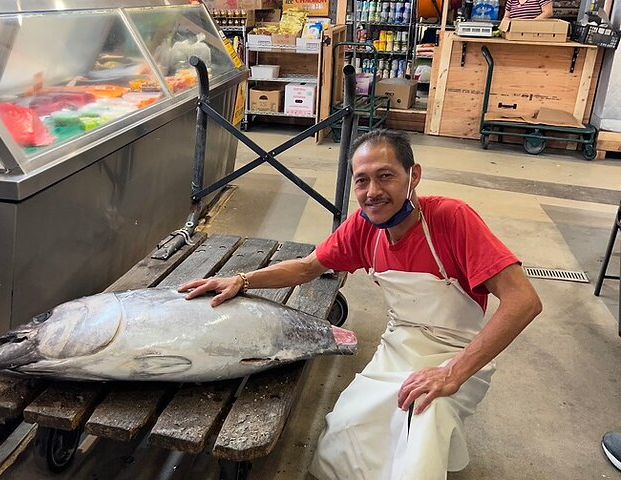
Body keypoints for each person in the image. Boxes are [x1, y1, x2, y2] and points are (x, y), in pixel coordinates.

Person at [178, 129, 543, 479]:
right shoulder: (363, 227)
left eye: (386, 176)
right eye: (362, 180)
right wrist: (241, 280)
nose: (373, 192)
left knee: (422, 419)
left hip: (457, 353)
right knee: (345, 432)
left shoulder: (451, 218)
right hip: (400, 345)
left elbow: (523, 301)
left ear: (413, 175)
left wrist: (452, 373)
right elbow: (307, 267)